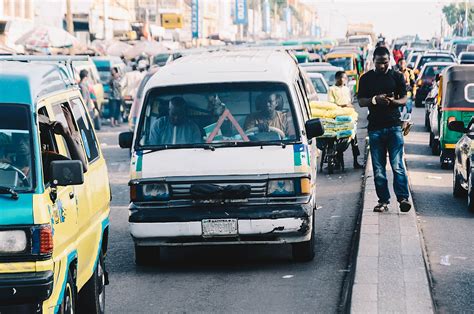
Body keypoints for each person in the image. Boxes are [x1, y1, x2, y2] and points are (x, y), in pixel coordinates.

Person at [357, 46, 412, 213]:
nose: (383, 66)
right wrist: (375, 100)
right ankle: (383, 201)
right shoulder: (366, 78)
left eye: (386, 62)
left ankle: (403, 198)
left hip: (394, 126)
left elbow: (404, 98)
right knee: (379, 168)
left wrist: (393, 102)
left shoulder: (397, 76)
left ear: (390, 61)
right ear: (373, 61)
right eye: (380, 63)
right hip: (375, 128)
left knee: (397, 165)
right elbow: (361, 101)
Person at [328, 71, 363, 169]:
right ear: (337, 78)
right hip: (338, 116)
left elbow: (349, 102)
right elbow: (331, 104)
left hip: (348, 116)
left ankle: (356, 161)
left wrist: (349, 106)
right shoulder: (331, 89)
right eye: (342, 78)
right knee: (338, 139)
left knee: (353, 138)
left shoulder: (347, 89)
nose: (344, 80)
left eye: (345, 78)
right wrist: (344, 106)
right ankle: (338, 161)